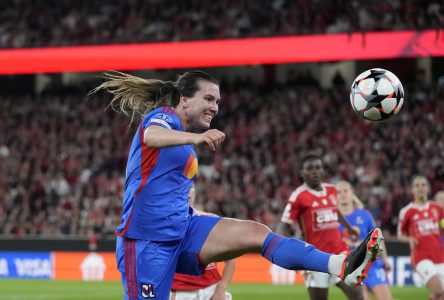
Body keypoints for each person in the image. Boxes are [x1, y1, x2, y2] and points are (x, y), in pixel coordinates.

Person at [91, 70, 384, 300]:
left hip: (184, 229)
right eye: (208, 99)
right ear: (183, 99)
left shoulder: (185, 139)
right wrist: (197, 138)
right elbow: (151, 136)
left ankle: (341, 266)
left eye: (217, 101)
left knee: (255, 233)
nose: (215, 107)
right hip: (145, 241)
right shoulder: (164, 117)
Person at [276, 154, 366, 300]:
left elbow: (334, 211)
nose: (314, 171)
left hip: (340, 253)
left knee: (357, 296)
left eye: (318, 167)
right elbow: (283, 225)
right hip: (315, 258)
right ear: (301, 172)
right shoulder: (298, 196)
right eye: (309, 168)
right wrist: (288, 253)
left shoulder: (331, 190)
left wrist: (349, 229)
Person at [170, 185, 235, 300]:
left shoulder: (212, 220)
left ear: (195, 192)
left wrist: (221, 287)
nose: (187, 191)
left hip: (211, 292)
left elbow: (230, 260)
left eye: (190, 187)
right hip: (179, 293)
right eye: (181, 188)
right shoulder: (163, 226)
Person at [337, 180, 393, 300]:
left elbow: (378, 236)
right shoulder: (333, 220)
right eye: (339, 192)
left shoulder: (364, 215)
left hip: (372, 263)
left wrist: (385, 259)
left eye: (345, 191)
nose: (342, 194)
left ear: (352, 193)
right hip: (351, 266)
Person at [398, 176, 444, 300]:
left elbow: (442, 225)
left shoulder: (438, 209)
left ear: (428, 189)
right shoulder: (407, 211)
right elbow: (400, 235)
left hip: (440, 257)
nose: (420, 188)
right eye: (417, 185)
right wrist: (410, 239)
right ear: (412, 190)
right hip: (421, 257)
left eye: (423, 185)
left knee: (439, 295)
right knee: (438, 289)